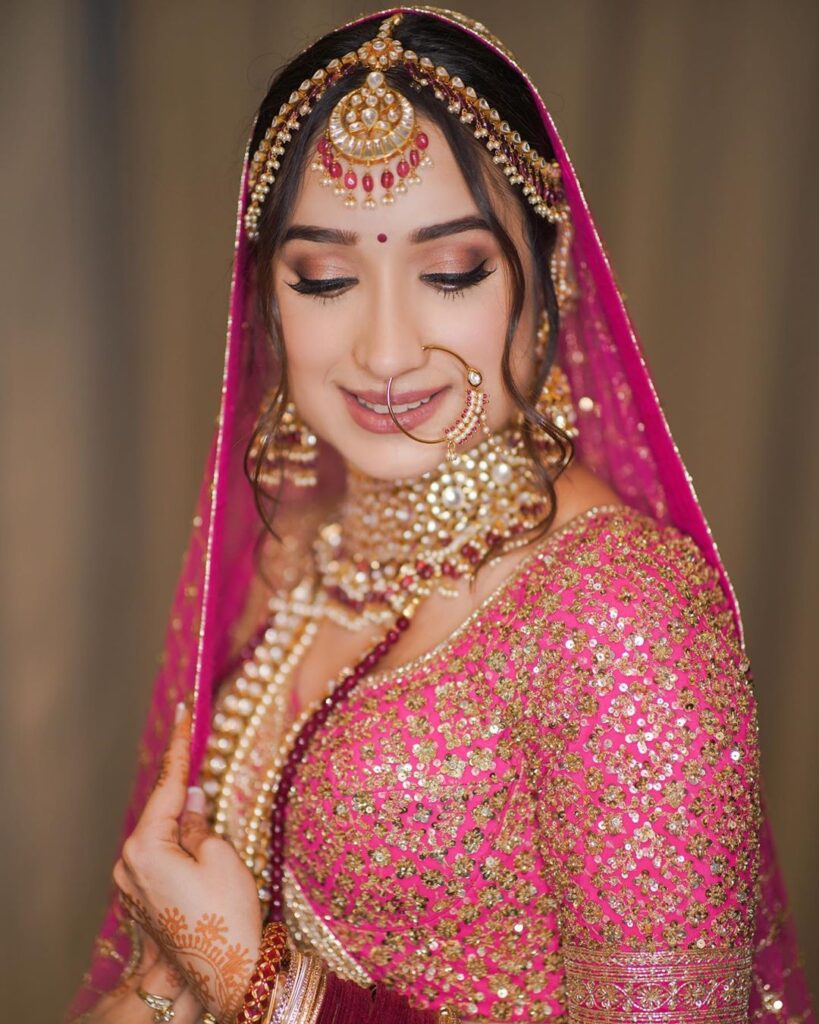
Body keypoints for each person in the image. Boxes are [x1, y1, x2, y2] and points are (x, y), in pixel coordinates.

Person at [68, 7, 815, 1024]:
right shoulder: (304, 549)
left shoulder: (620, 612)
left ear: (546, 285)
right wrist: (164, 983)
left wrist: (251, 978)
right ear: (267, 302)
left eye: (452, 271)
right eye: (325, 278)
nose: (384, 351)